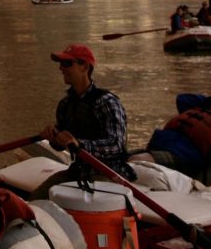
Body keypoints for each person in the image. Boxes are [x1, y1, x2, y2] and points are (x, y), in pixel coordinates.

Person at [32, 43, 135, 198]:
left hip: (108, 174)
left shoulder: (107, 102)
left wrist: (79, 144)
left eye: (67, 63)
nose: (61, 68)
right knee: (35, 200)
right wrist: (54, 139)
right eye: (61, 64)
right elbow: (63, 146)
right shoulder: (65, 105)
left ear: (85, 67)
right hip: (77, 171)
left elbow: (116, 145)